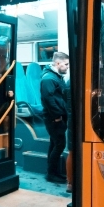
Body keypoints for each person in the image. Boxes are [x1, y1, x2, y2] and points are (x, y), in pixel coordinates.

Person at [40, 51, 69, 184]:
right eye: (66, 64)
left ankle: (52, 172)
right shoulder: (49, 79)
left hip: (57, 116)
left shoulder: (55, 77)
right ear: (58, 63)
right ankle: (52, 174)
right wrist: (57, 116)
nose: (67, 67)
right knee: (59, 145)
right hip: (54, 118)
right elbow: (48, 99)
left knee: (54, 144)